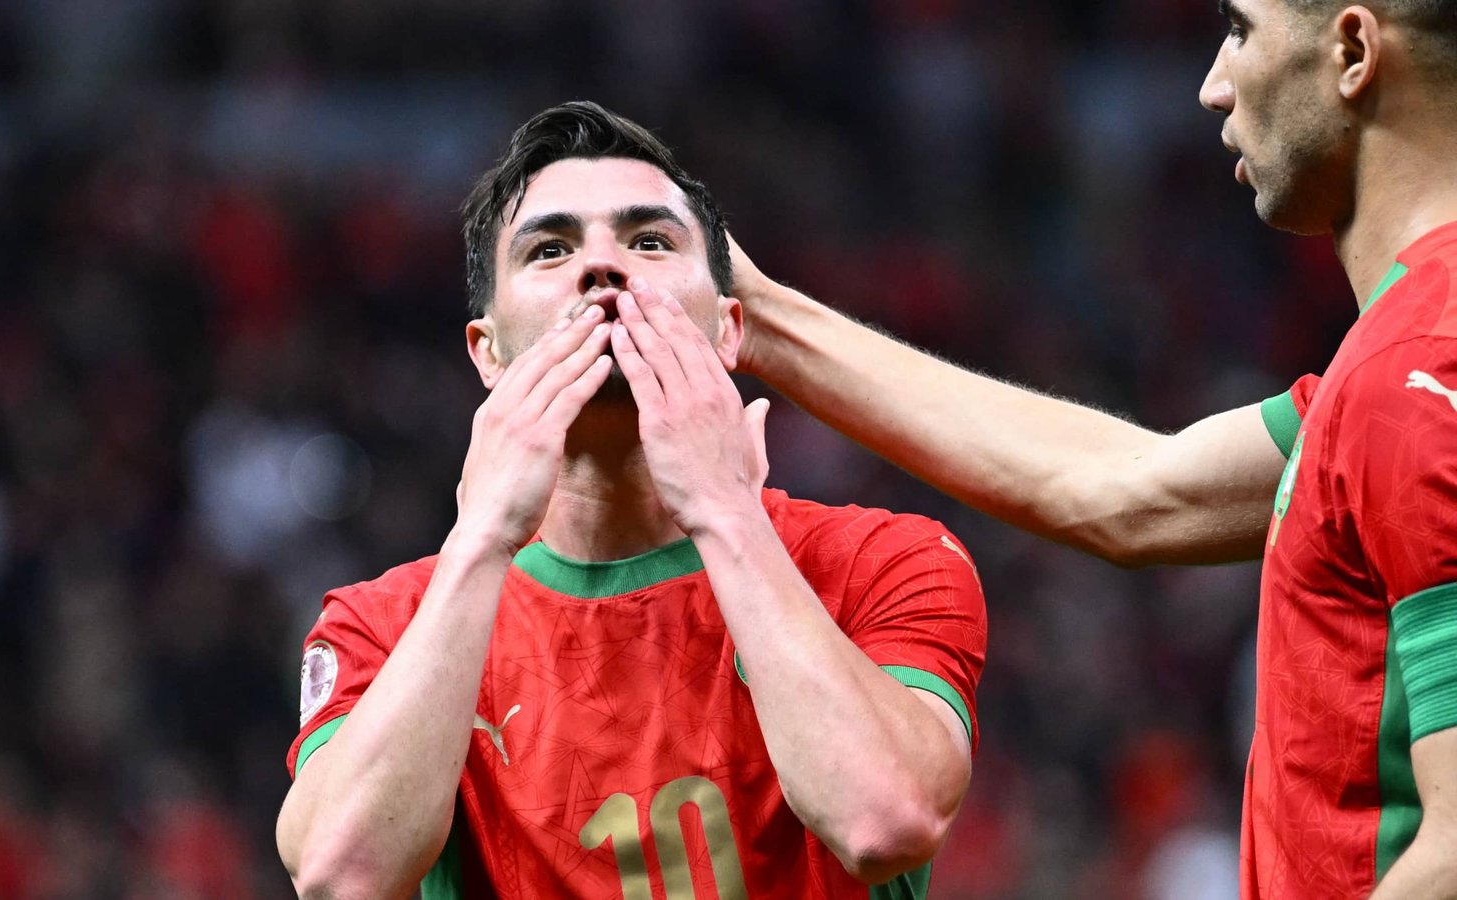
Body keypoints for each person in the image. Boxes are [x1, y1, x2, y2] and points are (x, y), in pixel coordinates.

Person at [700, 0, 1457, 897]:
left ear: (1353, 49)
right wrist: (756, 312)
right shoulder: (1392, 373)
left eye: (1241, 30)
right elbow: (1127, 490)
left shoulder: (1420, 371)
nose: (1213, 87)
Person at [273, 101, 987, 900]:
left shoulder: (883, 563)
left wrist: (725, 512)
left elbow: (884, 821)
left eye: (649, 241)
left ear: (728, 329)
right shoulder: (381, 625)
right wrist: (479, 539)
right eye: (550, 249)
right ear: (488, 353)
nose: (602, 268)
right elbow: (341, 875)